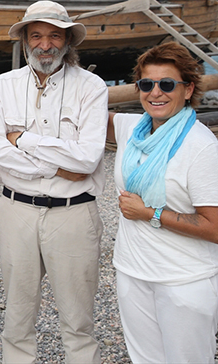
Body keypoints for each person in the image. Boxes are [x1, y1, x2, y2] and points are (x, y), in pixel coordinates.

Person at [0, 0, 107, 364]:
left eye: (54, 35)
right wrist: (54, 166)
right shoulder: (3, 86)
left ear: (68, 41)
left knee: (79, 322)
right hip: (15, 210)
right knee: (17, 319)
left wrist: (23, 140)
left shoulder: (92, 87)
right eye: (36, 35)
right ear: (24, 41)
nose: (45, 45)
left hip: (74, 214)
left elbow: (86, 159)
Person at [107, 42, 218, 363]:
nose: (156, 93)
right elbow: (83, 112)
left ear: (188, 89)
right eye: (146, 84)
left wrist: (150, 213)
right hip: (132, 271)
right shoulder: (132, 129)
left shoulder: (201, 146)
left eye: (167, 84)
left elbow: (214, 228)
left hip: (184, 279)